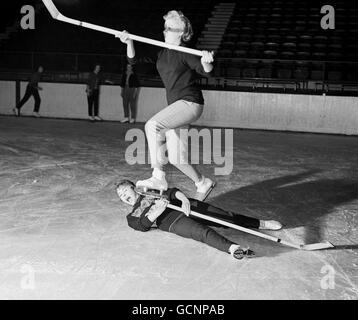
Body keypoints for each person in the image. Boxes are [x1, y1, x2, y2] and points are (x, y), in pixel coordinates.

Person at [118, 10, 216, 201]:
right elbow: (133, 61)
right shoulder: (161, 52)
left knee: (152, 125)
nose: (164, 31)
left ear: (180, 32)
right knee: (176, 158)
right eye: (164, 28)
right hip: (177, 107)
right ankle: (202, 182)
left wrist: (207, 62)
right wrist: (129, 42)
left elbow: (206, 71)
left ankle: (158, 177)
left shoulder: (185, 53)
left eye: (169, 28)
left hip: (190, 103)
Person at [115, 179, 283, 260]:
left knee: (225, 218)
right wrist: (155, 212)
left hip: (186, 206)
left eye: (125, 191)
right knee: (201, 232)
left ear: (133, 188)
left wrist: (185, 200)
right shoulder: (132, 216)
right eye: (121, 196)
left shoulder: (148, 190)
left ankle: (261, 223)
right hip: (172, 222)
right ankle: (234, 249)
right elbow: (142, 226)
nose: (124, 196)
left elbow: (172, 192)